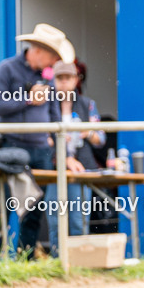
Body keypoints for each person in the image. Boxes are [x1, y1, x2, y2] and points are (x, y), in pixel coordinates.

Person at [0, 23, 73, 254]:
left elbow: (54, 115)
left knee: (35, 208)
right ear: (39, 51)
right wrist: (27, 99)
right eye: (53, 57)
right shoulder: (7, 69)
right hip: (11, 146)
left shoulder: (48, 78)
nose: (54, 63)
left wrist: (62, 151)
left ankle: (26, 256)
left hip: (41, 149)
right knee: (3, 203)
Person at [45, 59, 107, 256]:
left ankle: (81, 263)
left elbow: (101, 139)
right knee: (55, 221)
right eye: (59, 78)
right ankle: (57, 262)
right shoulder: (45, 106)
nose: (64, 82)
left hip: (81, 170)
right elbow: (40, 138)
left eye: (68, 77)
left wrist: (87, 132)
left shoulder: (88, 105)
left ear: (75, 80)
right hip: (54, 170)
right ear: (53, 80)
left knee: (78, 221)